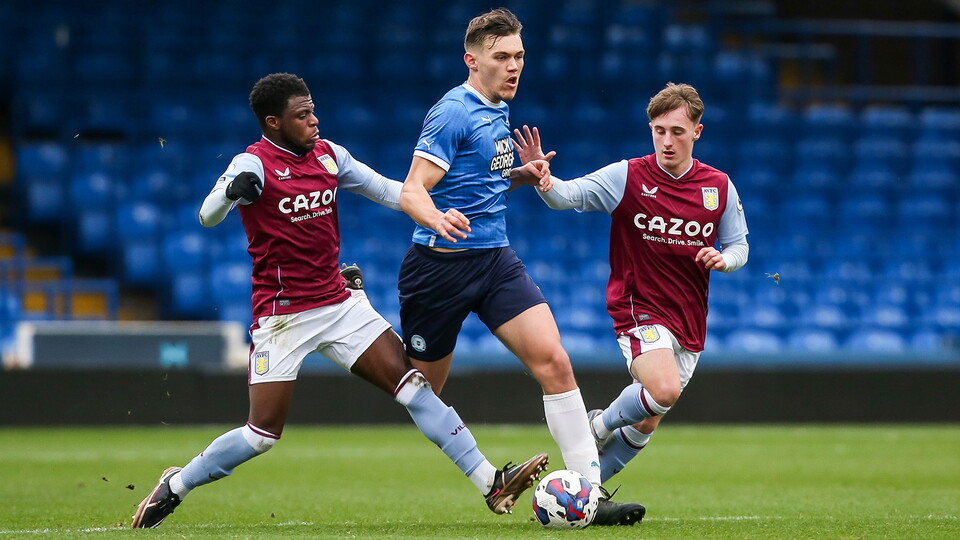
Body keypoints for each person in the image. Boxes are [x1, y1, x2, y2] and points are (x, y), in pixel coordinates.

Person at [130, 73, 549, 529]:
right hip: (283, 318)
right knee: (262, 435)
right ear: (273, 123)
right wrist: (232, 194)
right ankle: (177, 484)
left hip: (338, 304)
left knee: (415, 388)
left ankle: (491, 482)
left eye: (312, 110)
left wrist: (438, 209)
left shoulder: (330, 155)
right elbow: (207, 215)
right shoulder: (252, 164)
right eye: (302, 115)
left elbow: (390, 191)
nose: (314, 120)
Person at [396, 8, 644, 526]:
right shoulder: (453, 112)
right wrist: (437, 217)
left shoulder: (498, 109)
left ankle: (590, 496)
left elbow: (480, 178)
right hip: (437, 269)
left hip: (494, 262)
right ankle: (484, 473)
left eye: (520, 56)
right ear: (472, 60)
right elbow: (412, 190)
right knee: (422, 391)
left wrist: (521, 175)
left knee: (555, 362)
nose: (514, 66)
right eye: (502, 57)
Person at [512, 82, 750, 485]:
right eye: (659, 130)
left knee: (647, 419)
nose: (667, 141)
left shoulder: (718, 186)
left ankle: (586, 494)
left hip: (689, 318)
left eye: (677, 131)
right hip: (639, 307)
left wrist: (724, 260)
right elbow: (566, 196)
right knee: (663, 390)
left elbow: (739, 245)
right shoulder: (628, 176)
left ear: (697, 132)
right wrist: (543, 179)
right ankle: (597, 426)